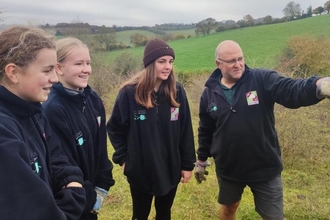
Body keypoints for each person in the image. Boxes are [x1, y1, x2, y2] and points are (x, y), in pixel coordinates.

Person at [194, 40, 330, 220]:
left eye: (240, 58)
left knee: (274, 217)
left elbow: (290, 89)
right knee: (228, 209)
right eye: (231, 61)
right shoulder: (209, 93)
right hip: (229, 168)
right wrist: (201, 160)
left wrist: (319, 85)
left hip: (265, 167)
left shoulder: (260, 79)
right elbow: (206, 130)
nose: (238, 64)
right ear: (218, 64)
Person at [0, 26, 86, 219]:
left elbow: (55, 155)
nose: (55, 79)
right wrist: (75, 196)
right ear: (13, 72)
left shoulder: (33, 111)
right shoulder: (4, 132)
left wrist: (70, 179)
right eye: (47, 70)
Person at [107, 38, 196, 220]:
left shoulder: (177, 92)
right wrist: (124, 160)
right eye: (161, 61)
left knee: (164, 213)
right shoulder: (129, 93)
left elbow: (186, 129)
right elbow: (115, 128)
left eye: (170, 61)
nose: (167, 67)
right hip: (141, 170)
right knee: (140, 215)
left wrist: (187, 165)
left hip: (170, 167)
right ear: (149, 64)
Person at [42, 37, 115, 220]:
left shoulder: (93, 99)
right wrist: (88, 197)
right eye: (79, 64)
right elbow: (63, 164)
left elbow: (101, 147)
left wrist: (102, 186)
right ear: (59, 68)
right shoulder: (52, 109)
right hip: (72, 203)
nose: (86, 69)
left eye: (88, 63)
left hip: (92, 197)